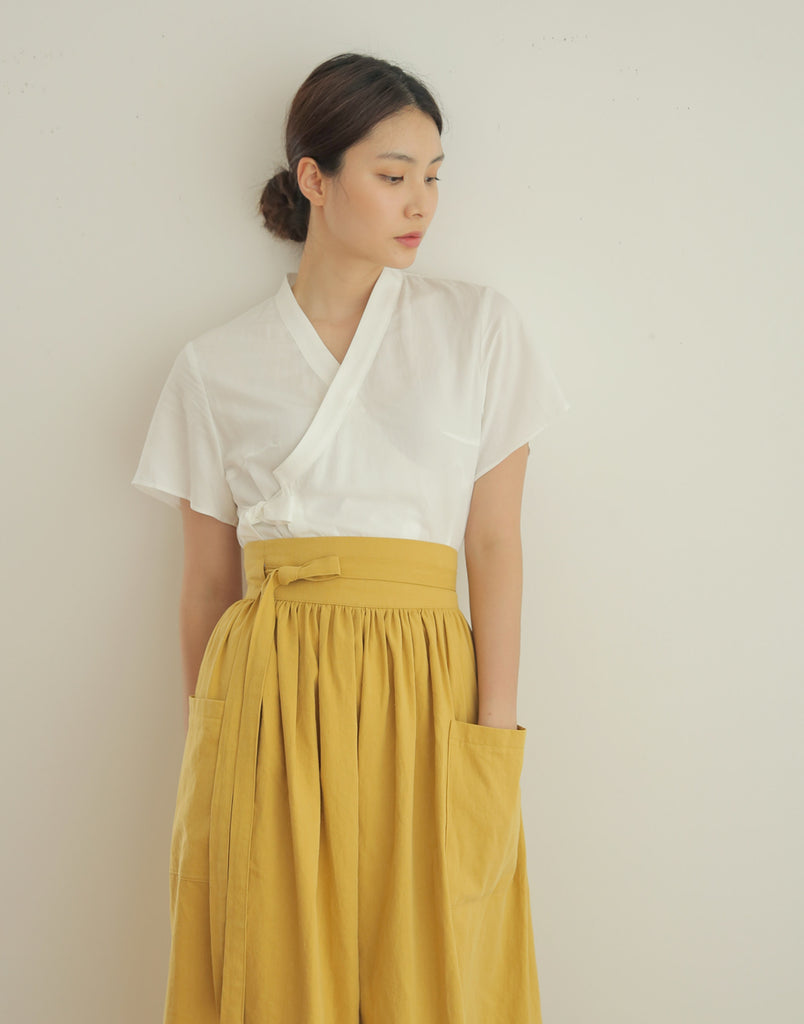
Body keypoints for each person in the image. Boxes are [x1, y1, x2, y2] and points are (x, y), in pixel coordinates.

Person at [132, 51, 570, 1024]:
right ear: (316, 179)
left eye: (434, 176)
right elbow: (205, 584)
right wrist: (213, 736)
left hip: (429, 686)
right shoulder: (214, 365)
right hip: (270, 693)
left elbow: (495, 545)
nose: (422, 203)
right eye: (393, 174)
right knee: (273, 968)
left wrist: (493, 736)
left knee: (439, 969)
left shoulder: (477, 330)